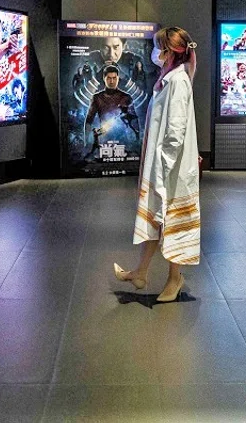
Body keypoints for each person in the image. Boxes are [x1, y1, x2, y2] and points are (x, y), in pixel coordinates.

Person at [114, 26, 200, 303]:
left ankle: (175, 278)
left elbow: (175, 131)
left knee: (173, 219)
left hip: (170, 167)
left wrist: (164, 164)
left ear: (167, 52)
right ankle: (140, 272)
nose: (154, 52)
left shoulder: (177, 81)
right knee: (158, 215)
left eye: (157, 47)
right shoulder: (170, 78)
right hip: (162, 163)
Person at [84, 65, 133, 144]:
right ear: (104, 78)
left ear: (118, 78)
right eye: (109, 78)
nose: (112, 81)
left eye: (114, 78)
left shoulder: (126, 97)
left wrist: (135, 142)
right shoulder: (97, 97)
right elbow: (89, 121)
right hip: (104, 139)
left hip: (124, 141)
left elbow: (134, 121)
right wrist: (86, 141)